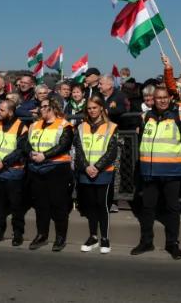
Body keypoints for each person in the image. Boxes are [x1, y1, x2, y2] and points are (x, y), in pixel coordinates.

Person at [132, 86, 181, 260]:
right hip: (149, 171)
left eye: (164, 97)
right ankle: (146, 242)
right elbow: (141, 140)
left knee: (172, 208)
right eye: (158, 98)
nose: (162, 100)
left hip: (172, 171)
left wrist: (179, 160)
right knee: (147, 208)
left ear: (170, 98)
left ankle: (172, 243)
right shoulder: (145, 117)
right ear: (153, 100)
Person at [27, 98, 74, 252]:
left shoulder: (64, 125)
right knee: (41, 205)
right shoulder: (34, 125)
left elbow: (64, 145)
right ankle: (42, 235)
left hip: (57, 168)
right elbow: (26, 144)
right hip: (37, 168)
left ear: (53, 108)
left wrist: (44, 155)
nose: (41, 109)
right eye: (40, 107)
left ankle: (60, 237)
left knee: (58, 204)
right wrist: (31, 153)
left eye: (45, 106)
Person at [73, 96, 118, 254]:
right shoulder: (81, 127)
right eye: (89, 108)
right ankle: (93, 236)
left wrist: (97, 167)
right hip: (86, 172)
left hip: (103, 172)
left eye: (94, 107)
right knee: (90, 205)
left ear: (101, 108)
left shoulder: (111, 127)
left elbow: (112, 151)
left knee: (102, 205)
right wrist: (86, 167)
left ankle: (104, 238)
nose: (92, 110)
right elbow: (78, 150)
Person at [0, 100, 28, 246]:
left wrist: (4, 162)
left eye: (2, 110)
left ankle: (18, 233)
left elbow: (21, 150)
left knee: (16, 205)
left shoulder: (21, 127)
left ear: (10, 112)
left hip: (13, 172)